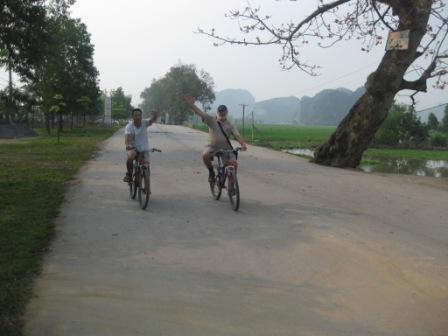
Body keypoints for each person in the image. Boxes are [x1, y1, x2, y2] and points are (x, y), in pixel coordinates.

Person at [185, 94, 247, 182]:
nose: (222, 113)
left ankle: (231, 185)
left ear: (226, 112)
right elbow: (200, 112)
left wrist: (243, 144)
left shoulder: (230, 124)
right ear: (217, 112)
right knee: (205, 155)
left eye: (224, 112)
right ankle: (211, 172)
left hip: (226, 148)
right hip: (212, 146)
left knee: (234, 165)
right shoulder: (211, 120)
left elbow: (237, 135)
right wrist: (191, 105)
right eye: (220, 111)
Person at [123, 108, 158, 182]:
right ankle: (129, 174)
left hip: (144, 149)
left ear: (141, 116)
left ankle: (146, 184)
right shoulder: (129, 126)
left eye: (139, 115)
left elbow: (152, 120)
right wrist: (128, 145)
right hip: (133, 148)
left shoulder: (144, 122)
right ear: (132, 117)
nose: (138, 117)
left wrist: (155, 115)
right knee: (130, 157)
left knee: (146, 166)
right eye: (136, 115)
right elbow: (127, 138)